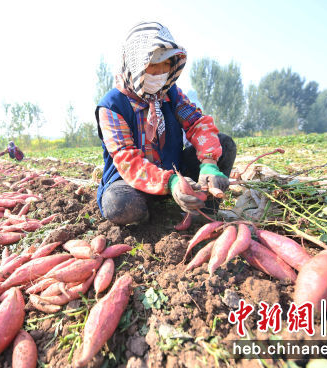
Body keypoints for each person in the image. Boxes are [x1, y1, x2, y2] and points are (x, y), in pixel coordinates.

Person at [96, 21, 237, 225]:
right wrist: (169, 182)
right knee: (118, 203)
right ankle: (151, 220)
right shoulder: (111, 106)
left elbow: (197, 123)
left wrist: (208, 162)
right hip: (131, 182)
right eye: (153, 65)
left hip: (177, 172)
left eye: (166, 64)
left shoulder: (171, 94)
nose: (160, 73)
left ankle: (202, 214)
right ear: (136, 64)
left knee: (224, 144)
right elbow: (127, 160)